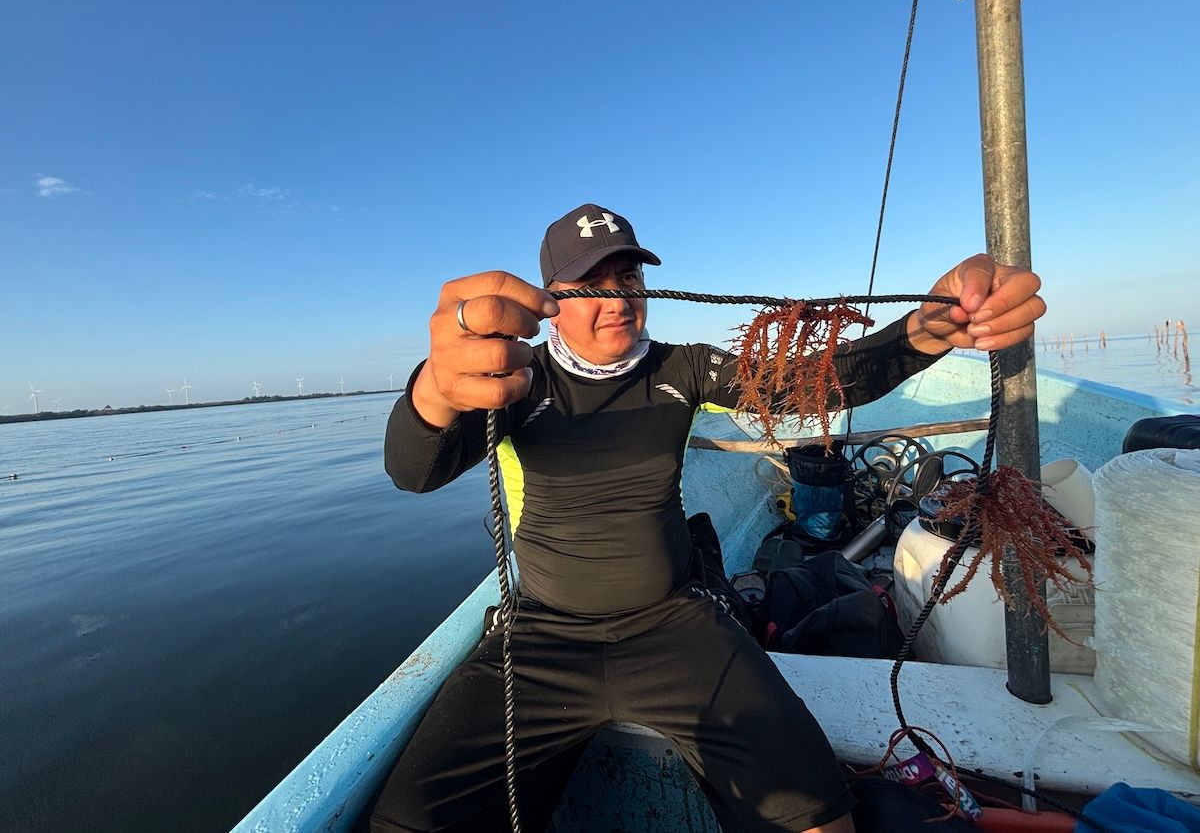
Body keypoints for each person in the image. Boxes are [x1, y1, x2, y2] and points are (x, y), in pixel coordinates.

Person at [369, 204, 1046, 833]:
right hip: (544, 636)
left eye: (628, 275)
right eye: (589, 284)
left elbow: (812, 379)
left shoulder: (682, 369)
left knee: (817, 812)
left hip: (676, 624)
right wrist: (431, 391)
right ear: (550, 304)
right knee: (406, 820)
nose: (617, 298)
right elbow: (415, 470)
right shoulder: (515, 382)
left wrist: (924, 332)